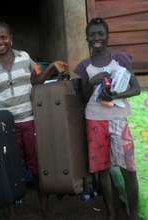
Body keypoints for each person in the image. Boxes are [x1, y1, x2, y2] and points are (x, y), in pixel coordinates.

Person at [0, 21, 67, 216]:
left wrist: (51, 69)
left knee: (38, 165)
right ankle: (12, 210)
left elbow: (36, 81)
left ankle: (43, 206)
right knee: (10, 167)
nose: (0, 41)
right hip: (5, 126)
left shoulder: (25, 57)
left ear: (11, 38)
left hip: (30, 120)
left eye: (3, 37)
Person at [74, 17, 140, 220]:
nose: (97, 38)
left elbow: (135, 89)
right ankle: (111, 213)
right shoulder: (84, 66)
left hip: (118, 119)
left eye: (101, 33)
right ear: (86, 38)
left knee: (128, 169)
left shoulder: (120, 60)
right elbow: (83, 99)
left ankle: (133, 215)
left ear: (108, 36)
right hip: (94, 120)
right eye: (92, 34)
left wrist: (115, 95)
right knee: (103, 170)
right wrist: (92, 82)